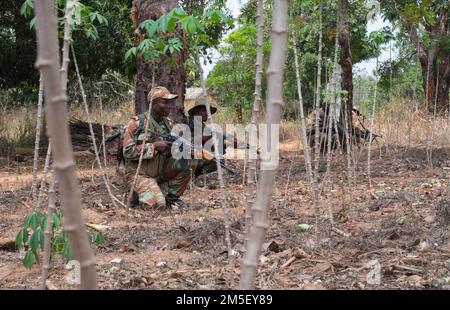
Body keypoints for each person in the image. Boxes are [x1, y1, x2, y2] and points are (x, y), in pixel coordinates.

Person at [122, 86, 191, 210]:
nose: (169, 106)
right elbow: (128, 152)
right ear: (153, 103)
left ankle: (171, 198)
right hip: (139, 175)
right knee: (157, 205)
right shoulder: (137, 123)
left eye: (170, 103)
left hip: (160, 175)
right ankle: (134, 195)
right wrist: (154, 146)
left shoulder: (168, 124)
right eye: (165, 102)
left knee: (187, 161)